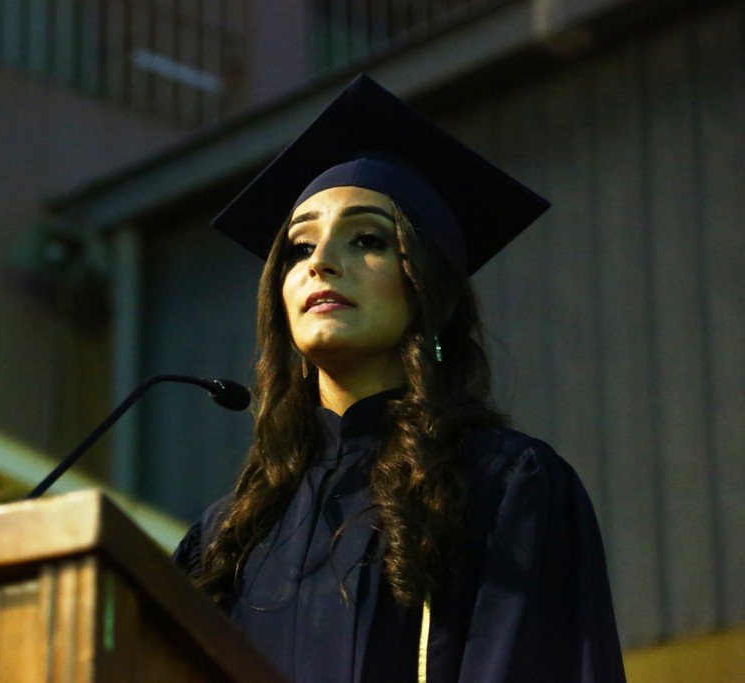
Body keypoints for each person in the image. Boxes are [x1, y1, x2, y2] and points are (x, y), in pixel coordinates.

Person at [172, 74, 625, 682]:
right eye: (299, 248)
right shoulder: (226, 537)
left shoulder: (502, 487)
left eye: (367, 239)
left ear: (428, 288)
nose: (320, 262)